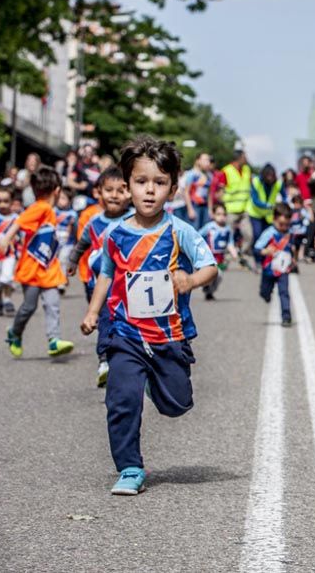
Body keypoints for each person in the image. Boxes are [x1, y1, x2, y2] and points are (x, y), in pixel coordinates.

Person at [79, 136, 217, 496]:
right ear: (127, 187)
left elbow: (210, 267)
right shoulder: (115, 233)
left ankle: (158, 384)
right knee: (121, 399)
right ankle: (129, 466)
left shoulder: (180, 230)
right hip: (125, 334)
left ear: (173, 188)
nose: (150, 191)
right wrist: (93, 311)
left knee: (177, 404)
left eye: (160, 183)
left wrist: (189, 280)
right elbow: (106, 275)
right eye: (141, 182)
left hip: (169, 335)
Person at [0, 167, 74, 359]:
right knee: (28, 307)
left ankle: (54, 340)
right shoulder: (42, 207)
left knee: (52, 303)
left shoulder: (48, 209)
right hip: (31, 270)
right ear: (57, 191)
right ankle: (14, 332)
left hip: (48, 269)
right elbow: (20, 221)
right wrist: (6, 239)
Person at [66, 166, 131, 387]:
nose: (114, 195)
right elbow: (82, 243)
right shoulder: (94, 223)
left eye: (121, 190)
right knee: (104, 321)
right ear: (99, 193)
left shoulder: (135, 219)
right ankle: (104, 360)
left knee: (129, 324)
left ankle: (131, 360)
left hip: (129, 287)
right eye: (109, 190)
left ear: (130, 192)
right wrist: (73, 261)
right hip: (101, 285)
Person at [254, 203, 295, 327]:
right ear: (274, 220)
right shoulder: (269, 233)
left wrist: (294, 260)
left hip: (283, 269)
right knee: (264, 291)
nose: (284, 227)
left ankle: (286, 316)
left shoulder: (289, 233)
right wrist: (266, 251)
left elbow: (292, 248)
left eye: (287, 225)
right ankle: (266, 294)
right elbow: (256, 248)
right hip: (269, 269)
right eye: (281, 224)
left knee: (284, 292)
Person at [219, 150, 253, 270]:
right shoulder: (226, 171)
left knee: (249, 235)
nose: (246, 159)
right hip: (230, 209)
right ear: (238, 158)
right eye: (244, 157)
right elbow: (221, 191)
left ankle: (241, 255)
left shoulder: (247, 170)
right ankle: (226, 259)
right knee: (228, 236)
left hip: (244, 209)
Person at [199, 203, 237, 301]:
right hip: (208, 257)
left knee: (219, 277)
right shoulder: (209, 226)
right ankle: (206, 285)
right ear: (214, 215)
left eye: (224, 214)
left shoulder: (228, 229)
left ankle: (209, 291)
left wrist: (233, 252)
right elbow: (198, 236)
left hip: (220, 259)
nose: (221, 217)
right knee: (216, 274)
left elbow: (230, 242)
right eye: (219, 214)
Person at [0, 186, 19, 316]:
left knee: (7, 277)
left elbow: (22, 235)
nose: (2, 204)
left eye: (6, 201)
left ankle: (8, 300)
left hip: (10, 254)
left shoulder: (16, 218)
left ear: (12, 201)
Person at [246, 163, 282, 247]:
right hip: (255, 213)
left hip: (268, 215)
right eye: (268, 175)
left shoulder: (278, 183)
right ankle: (256, 255)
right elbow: (255, 200)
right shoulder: (256, 182)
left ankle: (263, 257)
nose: (270, 178)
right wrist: (268, 206)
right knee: (257, 234)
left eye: (272, 176)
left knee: (267, 236)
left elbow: (284, 196)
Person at [182, 152, 213, 230]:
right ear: (198, 161)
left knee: (205, 231)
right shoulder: (191, 174)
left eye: (209, 160)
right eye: (205, 160)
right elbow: (186, 192)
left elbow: (209, 194)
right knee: (193, 230)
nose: (208, 163)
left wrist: (210, 209)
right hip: (194, 206)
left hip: (205, 207)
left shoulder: (209, 175)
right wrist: (190, 209)